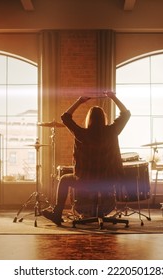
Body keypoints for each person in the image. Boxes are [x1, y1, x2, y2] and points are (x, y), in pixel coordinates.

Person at [42, 91, 131, 226]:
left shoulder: (82, 134)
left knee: (64, 179)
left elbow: (65, 117)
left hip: (86, 181)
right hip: (108, 180)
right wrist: (113, 97)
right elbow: (126, 114)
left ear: (89, 119)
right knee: (67, 178)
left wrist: (79, 101)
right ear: (104, 118)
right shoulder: (112, 131)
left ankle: (57, 212)